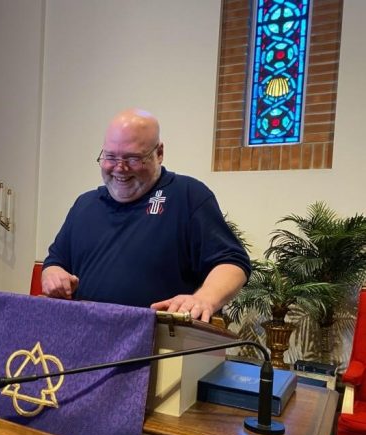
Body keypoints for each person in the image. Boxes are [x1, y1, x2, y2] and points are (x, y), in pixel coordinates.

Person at [41, 108, 250, 322]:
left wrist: (204, 298)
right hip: (89, 338)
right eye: (110, 157)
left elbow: (232, 263)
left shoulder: (188, 196)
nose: (120, 168)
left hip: (160, 342)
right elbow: (56, 261)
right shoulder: (85, 205)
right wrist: (53, 275)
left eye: (133, 159)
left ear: (159, 153)